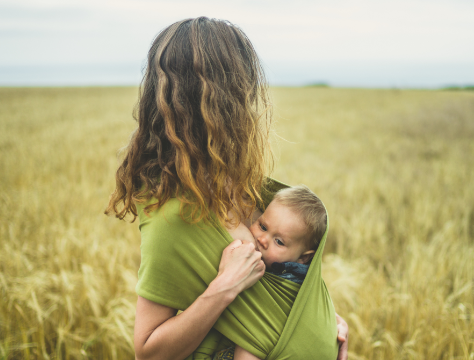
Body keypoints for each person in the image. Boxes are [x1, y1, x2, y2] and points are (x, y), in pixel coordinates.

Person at [105, 17, 348, 360]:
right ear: (226, 101)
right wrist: (224, 288)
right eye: (246, 89)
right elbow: (148, 352)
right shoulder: (172, 218)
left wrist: (322, 324)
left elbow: (284, 286)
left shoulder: (249, 187)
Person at [217, 185, 328, 360]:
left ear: (303, 259)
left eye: (279, 241)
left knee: (253, 337)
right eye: (262, 226)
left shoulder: (288, 280)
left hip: (266, 336)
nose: (262, 240)